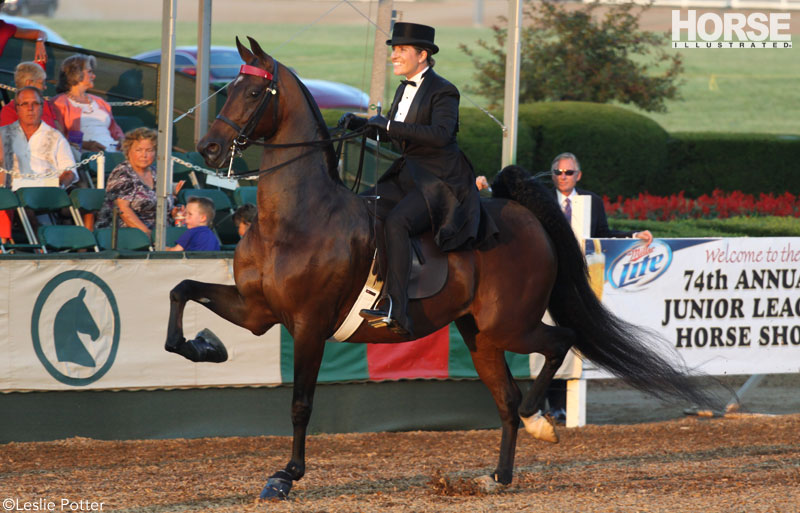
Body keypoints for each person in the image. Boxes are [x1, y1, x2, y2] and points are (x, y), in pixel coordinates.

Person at [339, 22, 498, 337]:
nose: (394, 56)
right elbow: (396, 137)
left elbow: (439, 136)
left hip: (441, 182)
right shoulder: (402, 88)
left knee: (397, 222)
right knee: (359, 208)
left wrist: (387, 126)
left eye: (401, 50)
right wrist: (362, 125)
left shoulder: (444, 90)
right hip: (409, 173)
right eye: (394, 50)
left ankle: (396, 308)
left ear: (422, 54)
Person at [547, 151, 652, 423]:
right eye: (558, 172)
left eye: (568, 172)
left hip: (577, 282)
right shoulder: (544, 199)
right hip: (546, 278)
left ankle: (562, 406)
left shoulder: (591, 201)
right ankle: (552, 403)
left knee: (571, 341)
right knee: (549, 340)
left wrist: (632, 236)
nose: (562, 177)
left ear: (578, 175)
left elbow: (602, 232)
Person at [95, 127, 183, 237]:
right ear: (128, 151)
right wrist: (148, 235)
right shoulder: (122, 173)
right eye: (139, 150)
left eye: (149, 150)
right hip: (129, 236)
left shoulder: (158, 173)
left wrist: (173, 213)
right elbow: (124, 211)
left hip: (162, 235)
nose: (144, 155)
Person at [0, 86, 77, 190]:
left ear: (42, 107)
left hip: (46, 192)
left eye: (35, 104)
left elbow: (70, 172)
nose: (30, 108)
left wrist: (59, 187)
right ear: (17, 108)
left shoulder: (56, 136)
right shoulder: (3, 134)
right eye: (24, 104)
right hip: (11, 193)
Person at [51, 54, 124, 153]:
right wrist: (86, 145)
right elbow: (58, 136)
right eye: (89, 72)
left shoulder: (100, 102)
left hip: (112, 149)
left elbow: (115, 130)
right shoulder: (59, 102)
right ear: (76, 73)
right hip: (84, 154)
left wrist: (121, 140)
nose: (94, 76)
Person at [0, 62, 60, 129]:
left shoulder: (46, 105)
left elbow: (59, 131)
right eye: (42, 83)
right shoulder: (10, 111)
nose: (45, 87)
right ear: (29, 83)